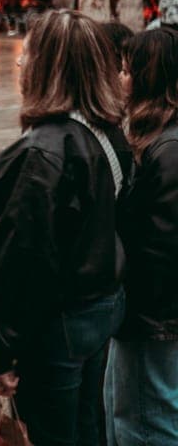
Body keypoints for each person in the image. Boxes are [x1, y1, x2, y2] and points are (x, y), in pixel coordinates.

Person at [0, 10, 131, 446]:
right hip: (102, 308)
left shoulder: (38, 154)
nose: (18, 63)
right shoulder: (109, 135)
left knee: (54, 432)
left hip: (59, 322)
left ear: (47, 67)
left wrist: (1, 350)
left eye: (27, 54)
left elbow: (18, 261)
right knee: (89, 426)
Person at [105, 27, 178, 445]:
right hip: (145, 319)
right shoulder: (153, 143)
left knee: (149, 423)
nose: (120, 79)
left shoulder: (166, 152)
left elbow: (161, 249)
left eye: (128, 71)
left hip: (153, 321)